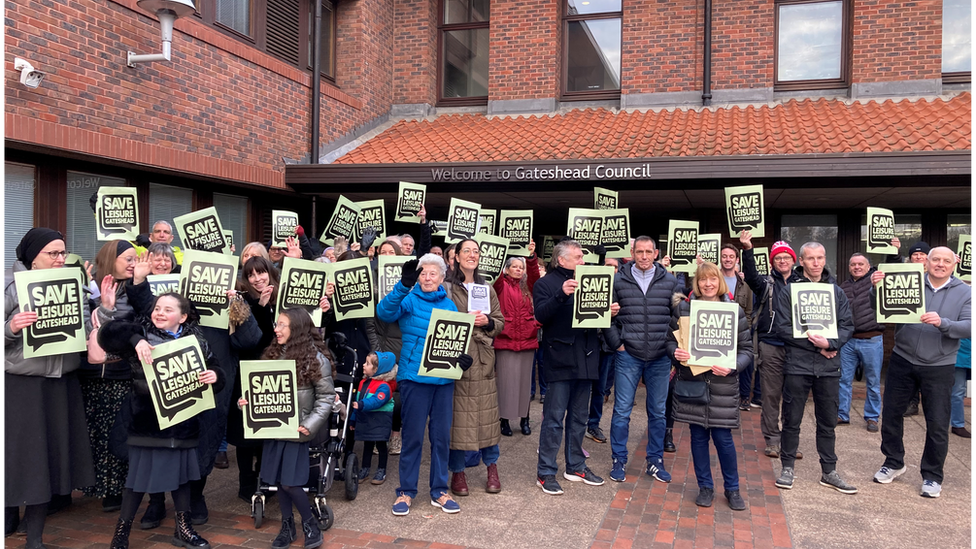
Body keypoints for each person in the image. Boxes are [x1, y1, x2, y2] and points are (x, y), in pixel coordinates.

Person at [99, 292, 222, 549]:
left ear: (183, 316)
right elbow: (107, 334)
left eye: (168, 309)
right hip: (149, 424)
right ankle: (121, 533)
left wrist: (215, 376)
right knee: (136, 482)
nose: (160, 313)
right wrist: (136, 340)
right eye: (157, 308)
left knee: (182, 480)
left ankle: (183, 530)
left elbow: (216, 368)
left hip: (184, 423)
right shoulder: (141, 331)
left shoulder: (196, 339)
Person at [1, 228, 96, 547]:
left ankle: (36, 535)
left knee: (47, 459)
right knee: (18, 455)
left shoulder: (75, 287)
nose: (60, 259)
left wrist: (102, 312)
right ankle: (8, 513)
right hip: (21, 383)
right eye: (52, 253)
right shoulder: (7, 286)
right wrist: (10, 328)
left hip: (61, 383)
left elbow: (86, 332)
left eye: (63, 253)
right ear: (32, 256)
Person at [871, 247, 972, 498]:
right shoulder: (909, 280)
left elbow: (970, 326)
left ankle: (932, 476)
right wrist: (877, 289)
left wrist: (943, 323)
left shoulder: (966, 292)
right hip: (903, 358)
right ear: (926, 261)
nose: (940, 264)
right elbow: (881, 308)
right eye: (935, 259)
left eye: (946, 261)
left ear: (954, 263)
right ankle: (894, 462)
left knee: (937, 422)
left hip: (940, 364)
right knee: (892, 414)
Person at [377, 255, 471, 516]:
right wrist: (402, 285)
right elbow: (384, 313)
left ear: (442, 278)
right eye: (423, 274)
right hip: (414, 378)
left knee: (441, 438)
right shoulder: (408, 299)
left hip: (443, 380)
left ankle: (439, 490)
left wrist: (461, 359)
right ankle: (406, 492)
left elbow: (455, 340)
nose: (427, 278)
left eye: (433, 274)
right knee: (413, 437)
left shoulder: (451, 306)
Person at [240, 308, 334, 549]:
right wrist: (246, 404)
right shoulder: (271, 355)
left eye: (282, 325)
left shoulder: (316, 360)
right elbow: (257, 391)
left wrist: (310, 424)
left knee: (290, 483)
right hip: (272, 429)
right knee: (279, 481)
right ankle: (287, 525)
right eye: (276, 324)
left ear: (298, 329)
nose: (276, 329)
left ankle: (310, 523)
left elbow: (326, 398)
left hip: (297, 431)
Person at [772, 242, 856, 494]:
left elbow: (847, 325)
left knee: (828, 421)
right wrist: (818, 346)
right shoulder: (789, 291)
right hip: (798, 365)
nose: (816, 263)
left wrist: (831, 343)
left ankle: (829, 471)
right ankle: (787, 468)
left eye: (820, 258)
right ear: (802, 260)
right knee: (791, 419)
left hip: (829, 367)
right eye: (811, 258)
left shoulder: (836, 291)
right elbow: (783, 329)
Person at [668, 262, 752, 510]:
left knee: (723, 439)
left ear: (719, 282)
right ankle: (705, 487)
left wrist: (732, 366)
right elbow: (668, 342)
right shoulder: (684, 309)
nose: (707, 284)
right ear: (697, 282)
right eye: (703, 280)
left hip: (722, 385)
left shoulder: (733, 311)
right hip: (692, 383)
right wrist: (676, 353)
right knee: (697, 438)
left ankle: (733, 489)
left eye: (712, 279)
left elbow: (747, 350)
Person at [80, 240, 154, 512]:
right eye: (128, 258)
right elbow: (86, 327)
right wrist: (96, 300)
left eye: (136, 258)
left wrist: (139, 282)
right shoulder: (89, 287)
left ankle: (117, 489)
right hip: (90, 373)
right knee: (95, 433)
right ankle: (98, 485)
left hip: (122, 373)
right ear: (111, 260)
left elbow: (142, 321)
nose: (134, 263)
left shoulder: (136, 288)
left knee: (119, 433)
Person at [533, 239, 607, 495]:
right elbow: (540, 315)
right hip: (560, 357)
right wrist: (561, 294)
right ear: (561, 260)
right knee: (554, 419)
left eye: (582, 257)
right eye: (577, 257)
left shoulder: (590, 280)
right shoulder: (546, 283)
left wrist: (609, 310)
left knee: (579, 418)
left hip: (586, 356)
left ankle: (575, 465)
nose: (582, 261)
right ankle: (545, 472)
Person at [604, 236, 681, 483]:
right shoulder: (618, 280)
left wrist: (670, 348)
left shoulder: (670, 281)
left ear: (656, 253)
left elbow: (677, 318)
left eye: (649, 252)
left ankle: (655, 461)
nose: (645, 256)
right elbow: (607, 315)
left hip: (659, 356)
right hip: (629, 355)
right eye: (640, 252)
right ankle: (619, 460)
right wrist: (618, 344)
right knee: (622, 411)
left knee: (658, 413)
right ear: (632, 253)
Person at [445, 238, 505, 496]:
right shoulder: (446, 288)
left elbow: (501, 323)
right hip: (459, 359)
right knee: (459, 421)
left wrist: (487, 321)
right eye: (466, 251)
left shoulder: (487, 288)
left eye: (476, 251)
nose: (472, 254)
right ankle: (458, 472)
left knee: (489, 417)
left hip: (484, 360)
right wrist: (462, 320)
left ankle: (492, 467)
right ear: (456, 257)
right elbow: (439, 319)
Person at [740, 231, 803, 459]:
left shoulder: (803, 283)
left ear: (794, 260)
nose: (782, 261)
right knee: (770, 395)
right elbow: (750, 275)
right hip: (770, 345)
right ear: (772, 262)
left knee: (793, 396)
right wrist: (748, 249)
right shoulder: (765, 283)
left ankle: (790, 441)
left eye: (786, 257)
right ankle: (773, 440)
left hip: (797, 347)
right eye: (778, 258)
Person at [228, 257, 281, 500]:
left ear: (270, 273)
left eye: (261, 273)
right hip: (247, 371)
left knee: (268, 427)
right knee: (244, 432)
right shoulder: (242, 301)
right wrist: (259, 306)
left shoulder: (282, 298)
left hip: (276, 371)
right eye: (251, 275)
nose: (257, 279)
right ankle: (246, 482)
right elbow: (252, 341)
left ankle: (265, 478)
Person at [493, 244, 541, 438]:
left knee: (524, 383)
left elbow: (535, 277)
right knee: (505, 383)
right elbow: (494, 277)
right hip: (506, 341)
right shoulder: (501, 286)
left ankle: (524, 419)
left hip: (527, 341)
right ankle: (504, 419)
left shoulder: (528, 287)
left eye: (520, 267)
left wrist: (530, 258)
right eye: (514, 266)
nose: (518, 269)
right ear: (506, 269)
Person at [838, 253, 884, 432]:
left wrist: (895, 254)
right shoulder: (844, 287)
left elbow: (895, 270)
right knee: (843, 380)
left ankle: (872, 417)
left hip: (872, 339)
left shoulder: (877, 281)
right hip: (849, 341)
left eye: (860, 264)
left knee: (872, 381)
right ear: (849, 267)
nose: (856, 267)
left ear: (868, 266)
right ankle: (842, 414)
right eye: (853, 264)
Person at [720, 243, 757, 410]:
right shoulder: (714, 280)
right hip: (719, 331)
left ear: (736, 260)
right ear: (720, 258)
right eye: (724, 256)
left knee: (745, 364)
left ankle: (744, 397)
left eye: (731, 257)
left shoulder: (745, 283)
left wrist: (745, 331)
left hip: (740, 331)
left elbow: (748, 311)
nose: (727, 259)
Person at [587, 257, 619, 444]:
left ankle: (593, 424)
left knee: (600, 389)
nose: (612, 269)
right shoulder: (588, 282)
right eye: (608, 266)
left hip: (606, 344)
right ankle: (577, 422)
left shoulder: (620, 289)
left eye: (615, 267)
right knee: (582, 388)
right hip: (587, 342)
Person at [355, 351, 398, 485]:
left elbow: (376, 401)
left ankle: (381, 470)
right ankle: (365, 468)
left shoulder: (384, 387)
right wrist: (352, 418)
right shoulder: (363, 383)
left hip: (380, 419)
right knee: (367, 444)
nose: (363, 365)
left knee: (381, 445)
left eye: (367, 363)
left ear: (377, 370)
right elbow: (357, 401)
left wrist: (362, 405)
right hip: (367, 419)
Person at [950, 337, 973, 438]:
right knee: (958, 391)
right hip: (961, 352)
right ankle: (957, 425)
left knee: (958, 391)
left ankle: (957, 424)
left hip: (963, 351)